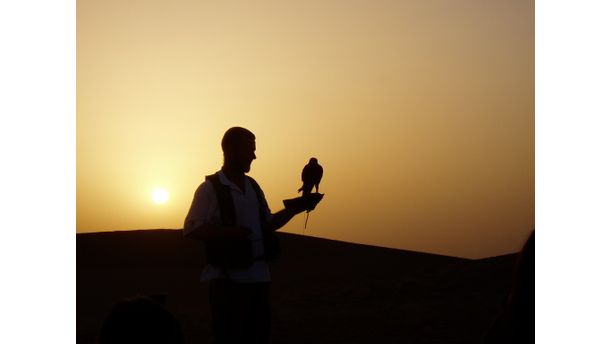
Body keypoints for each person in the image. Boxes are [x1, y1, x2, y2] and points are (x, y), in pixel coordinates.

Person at [183, 127, 321, 344]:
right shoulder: (209, 189)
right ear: (233, 151)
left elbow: (268, 222)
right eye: (250, 150)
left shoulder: (254, 187)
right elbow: (191, 228)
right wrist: (229, 233)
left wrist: (296, 208)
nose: (254, 156)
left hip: (259, 280)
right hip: (226, 284)